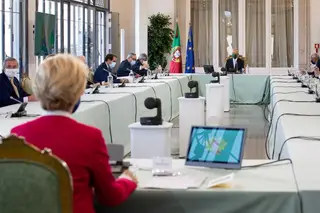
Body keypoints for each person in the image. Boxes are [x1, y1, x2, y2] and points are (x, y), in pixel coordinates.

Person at [10, 54, 138, 213]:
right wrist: (128, 180)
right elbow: (109, 197)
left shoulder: (17, 135)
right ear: (78, 91)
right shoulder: (90, 137)